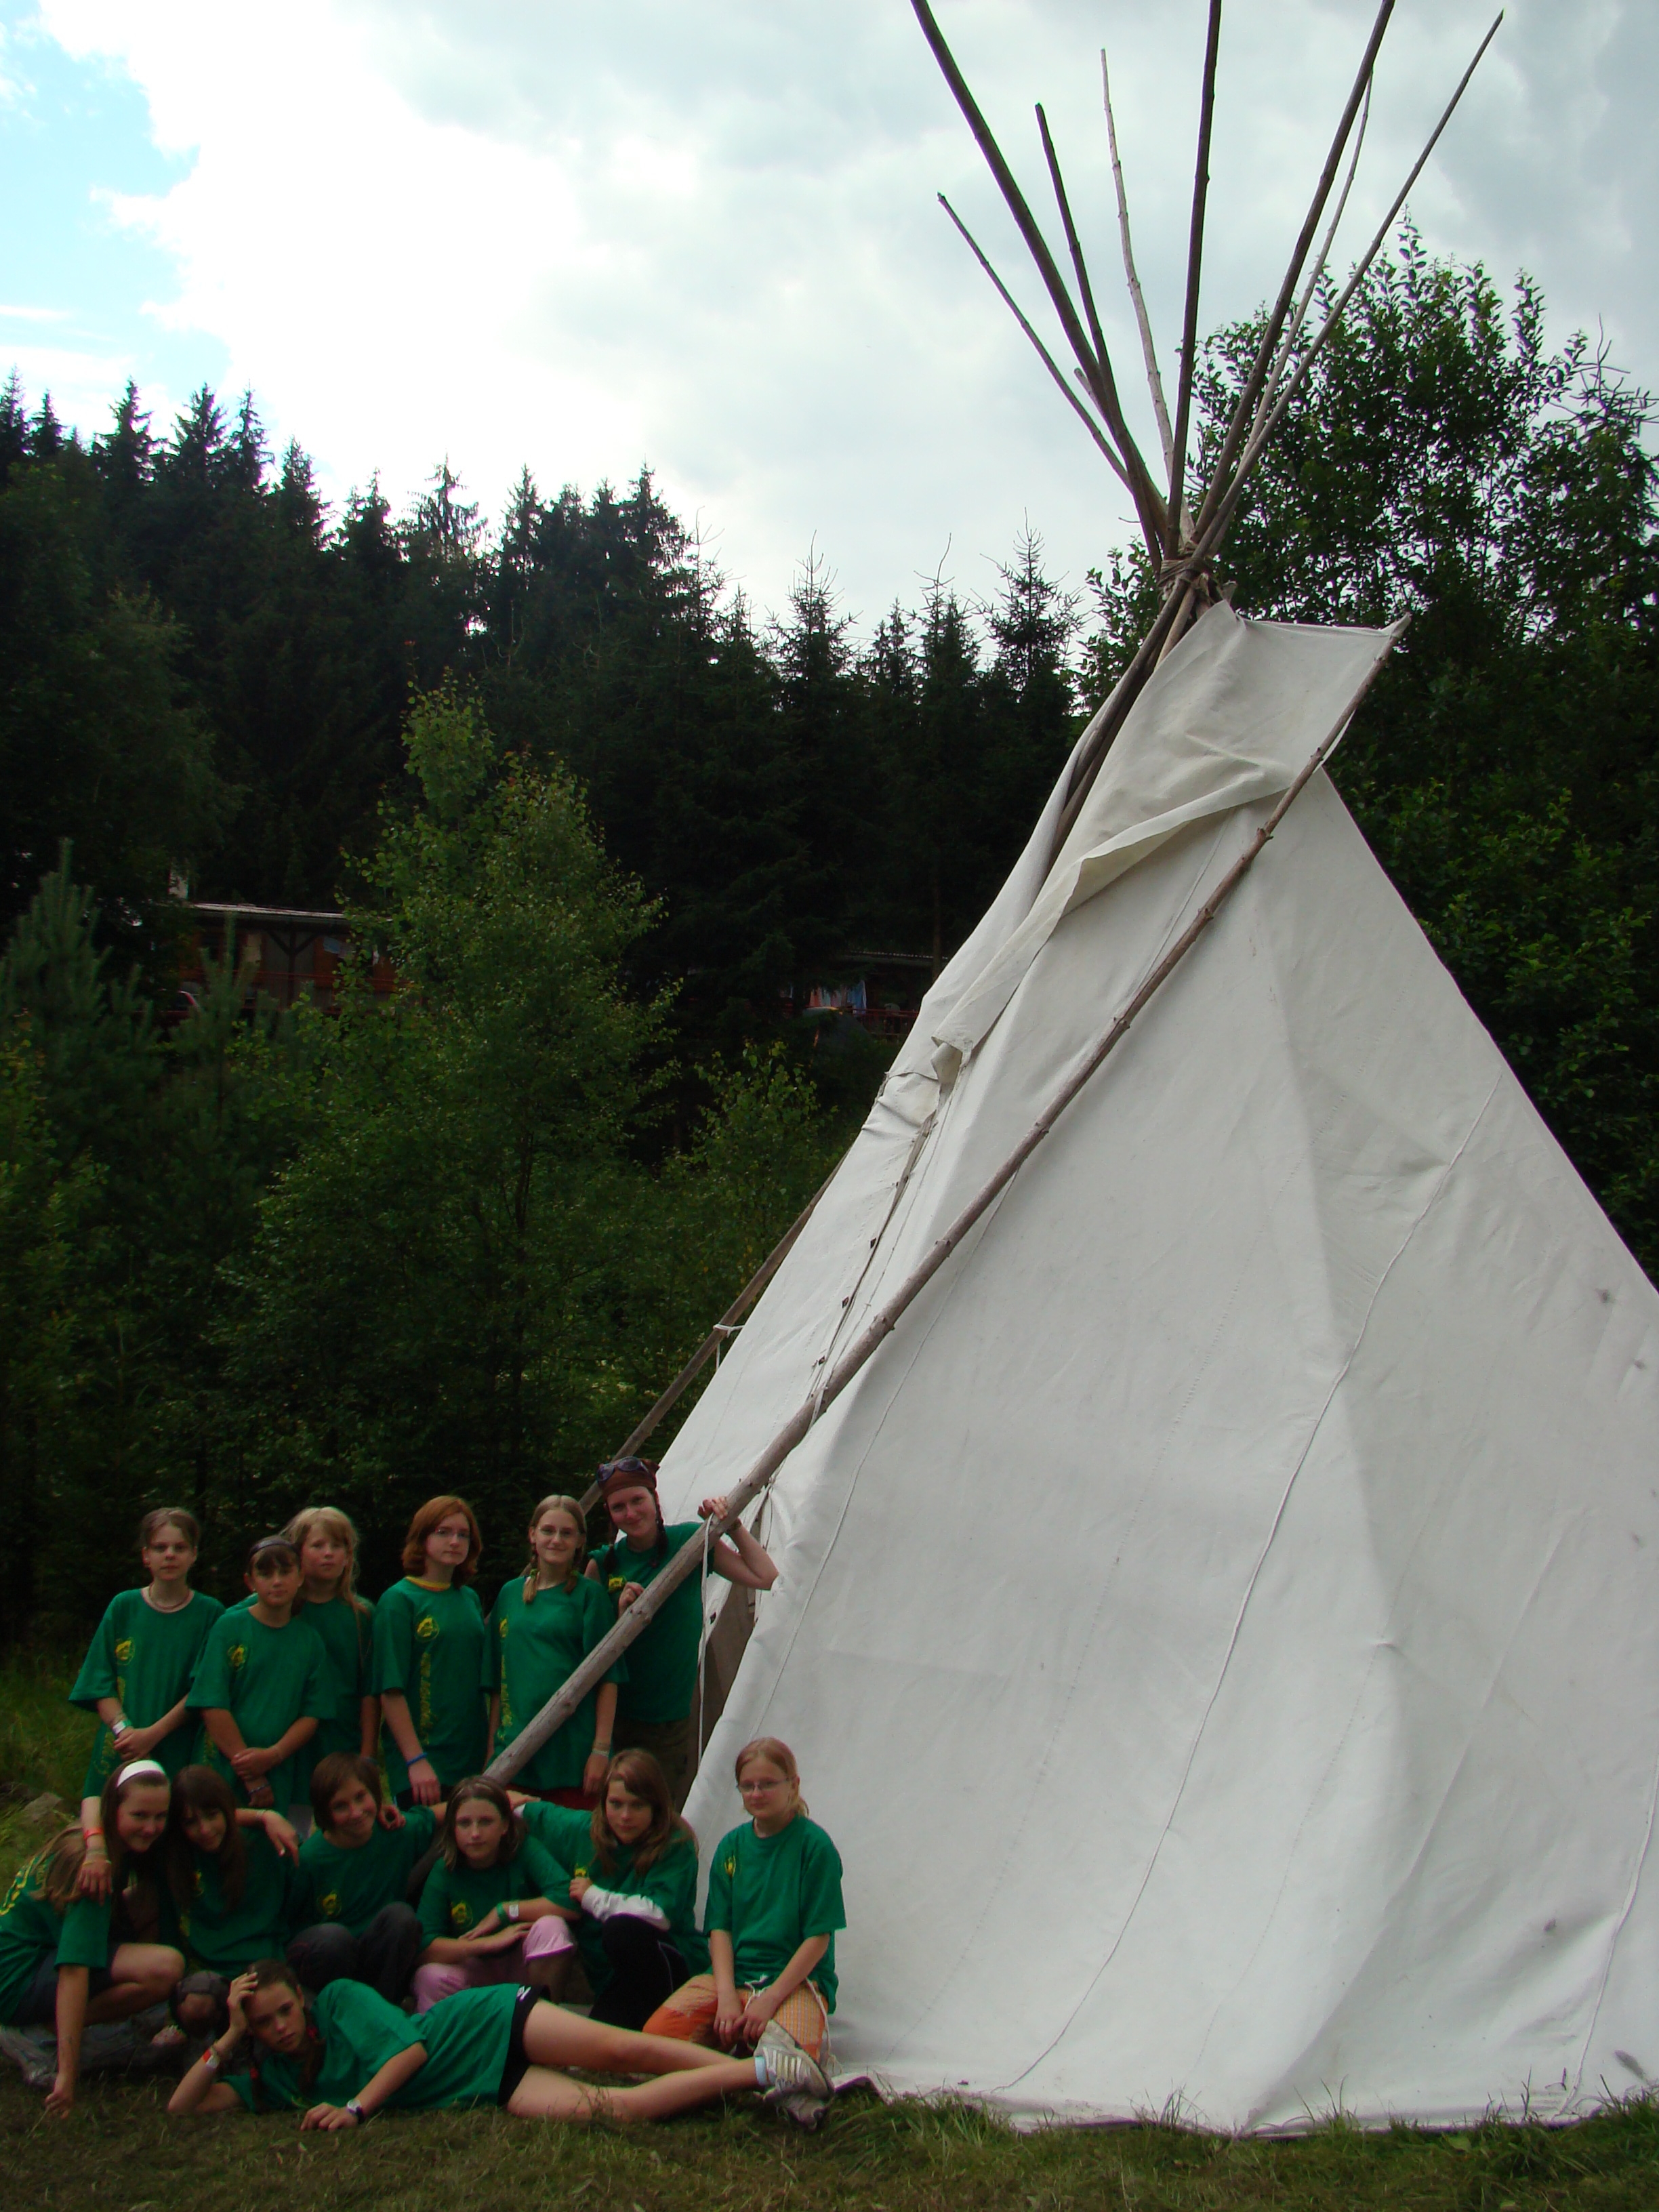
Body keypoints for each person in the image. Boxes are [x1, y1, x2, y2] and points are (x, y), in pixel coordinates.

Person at [168, 1956, 828, 2124]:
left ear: (300, 1997)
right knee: (614, 2109)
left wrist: (355, 2109)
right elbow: (181, 2110)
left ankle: (767, 2064)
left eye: (284, 2011)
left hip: (485, 2022)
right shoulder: (274, 2078)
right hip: (482, 2083)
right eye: (265, 2024)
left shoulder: (340, 1999)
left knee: (623, 2051)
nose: (281, 2028)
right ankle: (766, 2073)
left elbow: (409, 2053)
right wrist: (228, 2037)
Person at [644, 1737, 843, 2078]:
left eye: (768, 1784)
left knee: (787, 2061)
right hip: (735, 1976)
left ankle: (758, 2060)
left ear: (793, 1785)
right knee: (657, 2037)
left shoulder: (816, 1847)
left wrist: (770, 1999)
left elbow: (818, 1938)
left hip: (795, 1983)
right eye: (748, 1786)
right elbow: (719, 1929)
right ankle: (738, 2062)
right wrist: (726, 1996)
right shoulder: (731, 1847)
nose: (757, 1794)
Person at [588, 1458, 777, 1804]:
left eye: (638, 1501)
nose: (630, 1513)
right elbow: (586, 1646)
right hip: (611, 1719)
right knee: (614, 1813)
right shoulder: (602, 1564)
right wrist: (618, 1616)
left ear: (655, 1500)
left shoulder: (689, 1543)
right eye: (619, 1507)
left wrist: (732, 1526)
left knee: (658, 1812)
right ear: (609, 1514)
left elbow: (765, 1577)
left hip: (668, 1723)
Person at [0, 1760, 183, 2116]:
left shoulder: (97, 1838)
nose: (151, 1828)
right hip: (17, 1979)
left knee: (148, 1901)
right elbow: (74, 1970)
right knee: (166, 1967)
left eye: (160, 1817)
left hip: (34, 1953)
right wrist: (67, 2078)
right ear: (114, 1810)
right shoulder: (92, 1871)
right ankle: (44, 2034)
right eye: (140, 1815)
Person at [68, 1509, 224, 1892]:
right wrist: (126, 1731)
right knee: (112, 1829)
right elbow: (99, 1680)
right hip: (121, 1743)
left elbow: (204, 1689)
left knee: (171, 1845)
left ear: (194, 1554)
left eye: (179, 1547)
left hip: (176, 1741)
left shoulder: (211, 1614)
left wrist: (153, 1734)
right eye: (160, 1547)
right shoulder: (123, 1607)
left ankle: (169, 1917)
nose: (169, 1555)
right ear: (145, 1556)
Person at [487, 1494, 623, 1809]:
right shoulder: (509, 1595)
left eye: (567, 1533)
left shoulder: (590, 1597)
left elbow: (608, 1679)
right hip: (515, 1750)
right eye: (548, 1531)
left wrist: (600, 1750)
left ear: (580, 1541)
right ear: (532, 1535)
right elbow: (497, 1682)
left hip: (572, 1754)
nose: (556, 1540)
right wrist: (492, 1752)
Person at [558, 1750, 706, 2031]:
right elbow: (536, 1816)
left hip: (672, 1969)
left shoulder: (676, 1844)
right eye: (616, 1804)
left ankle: (662, 2025)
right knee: (601, 2040)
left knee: (622, 1929)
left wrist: (592, 1897)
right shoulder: (585, 1830)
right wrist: (514, 1803)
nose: (625, 1816)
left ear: (656, 1806)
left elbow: (658, 1913)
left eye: (637, 1806)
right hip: (613, 1978)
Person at [188, 1536, 334, 1814]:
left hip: (277, 1770)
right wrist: (250, 1772)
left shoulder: (310, 1642)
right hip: (220, 1766)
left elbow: (313, 1714)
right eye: (266, 1574)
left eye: (285, 1572)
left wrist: (273, 1755)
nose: (276, 1582)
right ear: (250, 1582)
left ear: (301, 1577)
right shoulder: (228, 1628)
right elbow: (211, 1703)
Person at [412, 1777, 576, 2011]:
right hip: (474, 1969)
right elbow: (424, 1947)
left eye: (486, 1822)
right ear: (453, 1829)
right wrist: (486, 1944)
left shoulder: (524, 1849)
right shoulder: (445, 1869)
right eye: (464, 1824)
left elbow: (569, 1900)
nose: (475, 1833)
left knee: (552, 1928)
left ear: (505, 1825)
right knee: (428, 1977)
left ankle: (543, 2016)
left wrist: (507, 1911)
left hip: (523, 1963)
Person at [161, 1767, 303, 2036]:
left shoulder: (262, 1844)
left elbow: (297, 1899)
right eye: (191, 1822)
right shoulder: (176, 1859)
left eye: (212, 1816)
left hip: (269, 1964)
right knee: (196, 2005)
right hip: (214, 1973)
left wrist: (265, 1817)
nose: (204, 1830)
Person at [285, 1753, 432, 2005]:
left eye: (361, 1797)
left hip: (374, 1952)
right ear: (325, 1812)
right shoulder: (309, 1859)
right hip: (325, 1956)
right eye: (340, 1806)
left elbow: (439, 1815)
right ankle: (332, 2009)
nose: (355, 1813)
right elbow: (288, 1922)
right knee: (334, 1939)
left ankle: (382, 2009)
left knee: (401, 1917)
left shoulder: (395, 1831)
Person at [372, 1496, 488, 1808]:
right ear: (422, 1537)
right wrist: (416, 1760)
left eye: (463, 1535)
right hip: (423, 1761)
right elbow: (390, 1690)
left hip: (470, 1757)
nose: (454, 1541)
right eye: (443, 1532)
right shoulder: (399, 1601)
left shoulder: (469, 1600)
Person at [283, 1507, 377, 1825]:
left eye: (338, 1546)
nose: (328, 1554)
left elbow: (369, 1691)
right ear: (298, 1552)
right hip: (291, 1747)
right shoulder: (281, 1610)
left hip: (342, 1741)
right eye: (318, 1545)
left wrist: (368, 1755)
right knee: (295, 1830)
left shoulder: (361, 1615)